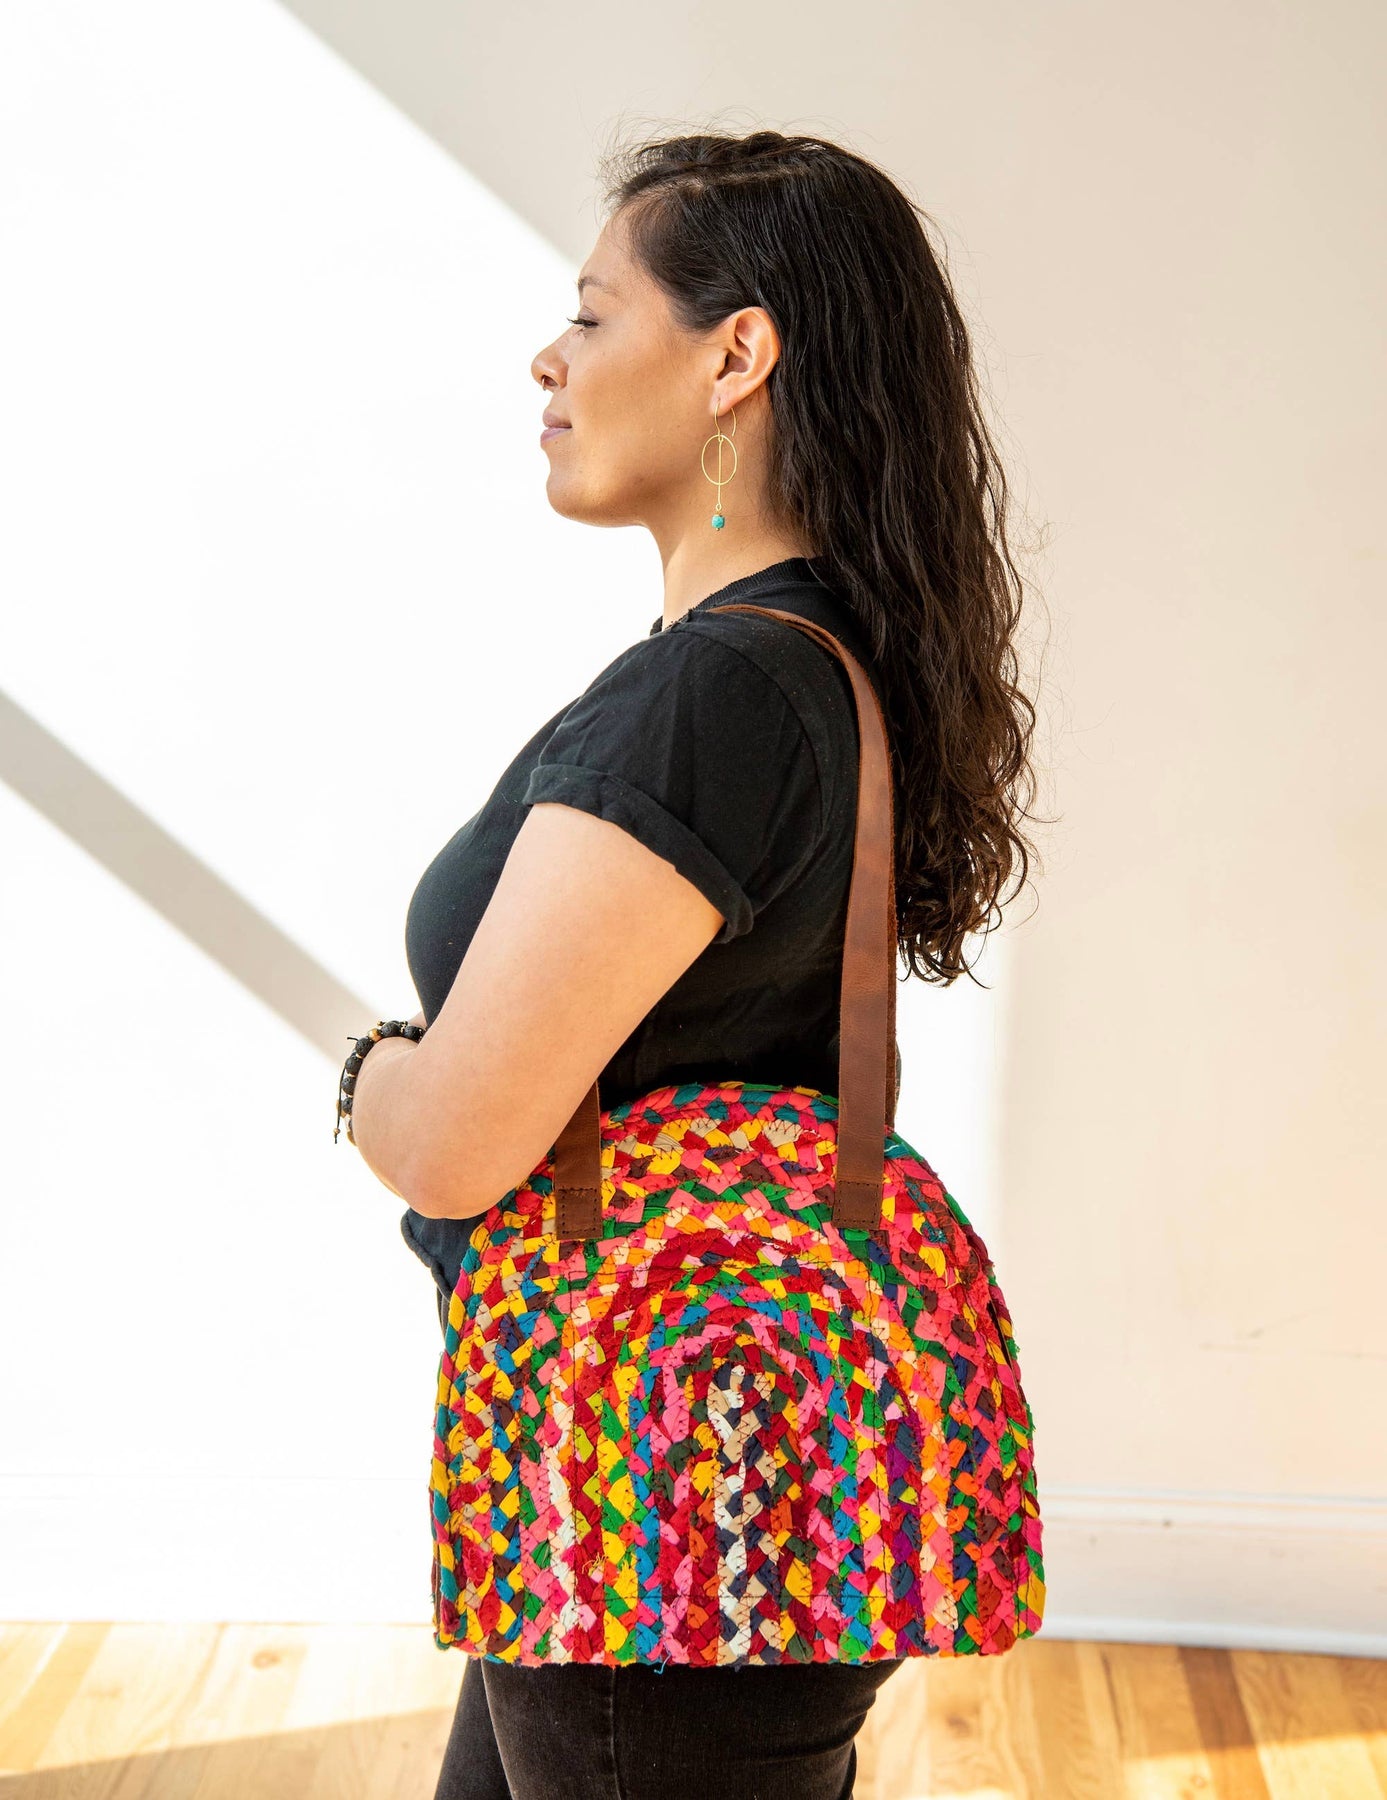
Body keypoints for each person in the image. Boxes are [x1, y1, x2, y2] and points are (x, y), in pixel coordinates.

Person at [344, 126, 1044, 1800]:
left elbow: (454, 1142)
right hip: (676, 1480)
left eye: (593, 314)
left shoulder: (715, 695)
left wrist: (372, 1073)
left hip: (655, 1486)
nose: (550, 358)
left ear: (737, 357)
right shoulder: (815, 663)